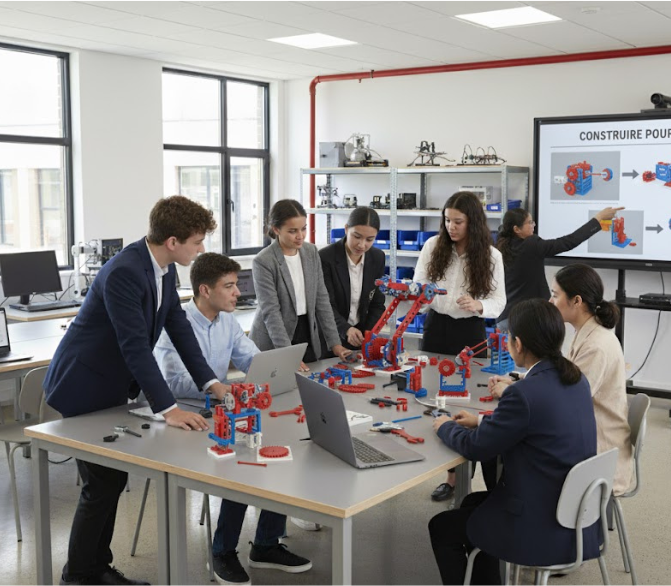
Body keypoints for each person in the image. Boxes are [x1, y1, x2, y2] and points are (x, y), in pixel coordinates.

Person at [44, 196, 231, 586]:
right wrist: (169, 409)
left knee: (109, 481)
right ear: (173, 241)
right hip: (82, 384)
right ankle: (79, 575)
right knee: (101, 483)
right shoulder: (125, 272)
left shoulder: (163, 268)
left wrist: (210, 382)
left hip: (108, 384)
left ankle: (94, 568)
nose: (201, 250)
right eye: (197, 242)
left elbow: (178, 326)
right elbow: (134, 347)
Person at [154, 253, 312, 585]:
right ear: (205, 290)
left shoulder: (227, 321)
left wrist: (278, 368)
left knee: (276, 451)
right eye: (229, 286)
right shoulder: (176, 325)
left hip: (220, 410)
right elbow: (172, 383)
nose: (238, 292)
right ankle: (222, 552)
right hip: (183, 418)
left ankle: (266, 544)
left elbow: (251, 358)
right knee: (241, 465)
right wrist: (219, 387)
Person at [428, 299, 599, 585]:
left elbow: (475, 447)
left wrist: (445, 426)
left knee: (441, 527)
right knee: (471, 502)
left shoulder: (523, 393)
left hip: (540, 521)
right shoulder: (575, 378)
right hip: (574, 511)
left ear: (518, 344)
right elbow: (535, 424)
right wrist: (482, 420)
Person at [414, 191, 506, 501]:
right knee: (434, 395)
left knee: (470, 403)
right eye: (447, 220)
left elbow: (499, 301)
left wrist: (479, 305)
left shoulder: (491, 256)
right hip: (436, 328)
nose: (451, 227)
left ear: (473, 223)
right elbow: (418, 286)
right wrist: (422, 296)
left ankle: (468, 477)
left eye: (458, 222)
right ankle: (449, 476)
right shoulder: (432, 246)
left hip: (470, 332)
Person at [550, 263, 634, 495]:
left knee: (523, 450)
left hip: (600, 455)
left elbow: (567, 401)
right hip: (589, 438)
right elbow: (566, 376)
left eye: (555, 295)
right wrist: (522, 381)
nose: (550, 301)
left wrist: (520, 391)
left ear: (576, 301)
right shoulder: (587, 332)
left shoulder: (596, 345)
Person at [249, 198, 350, 370]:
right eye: (292, 231)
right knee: (280, 383)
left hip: (306, 329)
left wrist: (335, 343)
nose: (300, 236)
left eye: (303, 229)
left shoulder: (311, 251)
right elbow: (271, 313)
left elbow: (322, 300)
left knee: (310, 379)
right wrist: (288, 355)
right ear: (276, 229)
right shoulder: (263, 261)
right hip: (275, 336)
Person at [495, 206, 623, 329]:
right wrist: (598, 218)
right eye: (529, 222)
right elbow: (569, 242)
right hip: (527, 319)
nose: (533, 225)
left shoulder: (500, 247)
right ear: (517, 229)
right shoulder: (531, 245)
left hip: (505, 319)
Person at [319, 206, 386, 352]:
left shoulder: (377, 257)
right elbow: (325, 305)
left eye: (369, 239)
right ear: (346, 229)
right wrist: (346, 329)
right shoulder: (325, 257)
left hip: (360, 337)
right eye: (357, 236)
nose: (362, 245)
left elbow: (377, 302)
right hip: (330, 337)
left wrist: (368, 334)